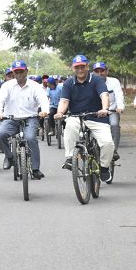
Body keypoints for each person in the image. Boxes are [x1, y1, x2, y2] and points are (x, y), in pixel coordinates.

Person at [54, 54, 114, 182]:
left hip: (97, 117)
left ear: (87, 66)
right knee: (69, 125)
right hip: (76, 116)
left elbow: (104, 95)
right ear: (73, 68)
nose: (80, 70)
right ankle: (70, 158)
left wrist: (104, 109)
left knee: (108, 143)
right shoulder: (69, 83)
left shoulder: (97, 80)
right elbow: (64, 101)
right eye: (77, 67)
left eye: (82, 67)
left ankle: (104, 168)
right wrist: (60, 112)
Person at [0, 60, 50, 179]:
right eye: (16, 72)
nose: (18, 74)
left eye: (21, 71)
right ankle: (9, 157)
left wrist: (45, 110)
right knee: (0, 134)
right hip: (11, 119)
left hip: (30, 118)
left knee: (30, 138)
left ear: (26, 72)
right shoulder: (7, 85)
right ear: (13, 73)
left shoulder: (35, 86)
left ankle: (35, 169)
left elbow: (43, 100)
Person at [92, 61, 125, 161]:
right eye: (97, 71)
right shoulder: (90, 82)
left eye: (102, 71)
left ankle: (114, 150)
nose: (99, 73)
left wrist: (120, 107)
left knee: (114, 125)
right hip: (95, 112)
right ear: (93, 72)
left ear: (107, 71)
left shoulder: (114, 81)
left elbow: (119, 95)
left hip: (111, 111)